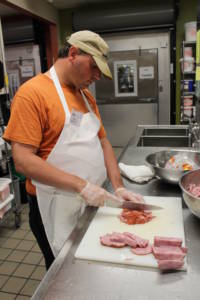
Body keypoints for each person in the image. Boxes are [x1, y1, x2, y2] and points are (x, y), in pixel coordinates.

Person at [3, 30, 144, 270]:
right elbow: (23, 161)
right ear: (73, 53)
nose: (98, 76)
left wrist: (118, 186)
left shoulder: (86, 96)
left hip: (90, 202)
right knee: (63, 273)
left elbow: (103, 142)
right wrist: (82, 186)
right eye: (94, 67)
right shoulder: (32, 93)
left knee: (90, 266)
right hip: (55, 207)